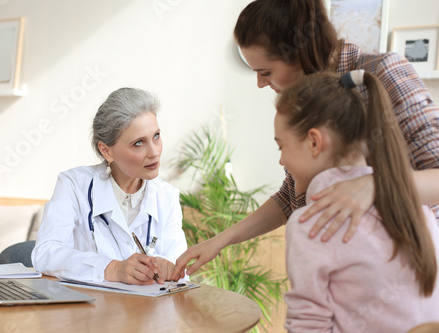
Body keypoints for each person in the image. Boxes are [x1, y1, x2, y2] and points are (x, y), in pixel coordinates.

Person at [171, 0, 439, 280]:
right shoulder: (305, 98)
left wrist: (372, 185)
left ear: (299, 53)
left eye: (265, 72)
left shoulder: (382, 73)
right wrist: (220, 241)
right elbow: (290, 197)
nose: (261, 84)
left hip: (412, 276)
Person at [277, 70, 439, 332]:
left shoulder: (310, 222)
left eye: (280, 146)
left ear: (314, 142)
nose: (281, 160)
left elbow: (308, 325)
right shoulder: (421, 210)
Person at [32, 87, 187, 285]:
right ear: (106, 151)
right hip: (88, 311)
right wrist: (112, 268)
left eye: (156, 136)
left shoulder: (167, 197)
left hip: (147, 313)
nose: (154, 152)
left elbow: (181, 276)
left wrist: (170, 269)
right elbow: (45, 253)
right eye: (139, 143)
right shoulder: (73, 185)